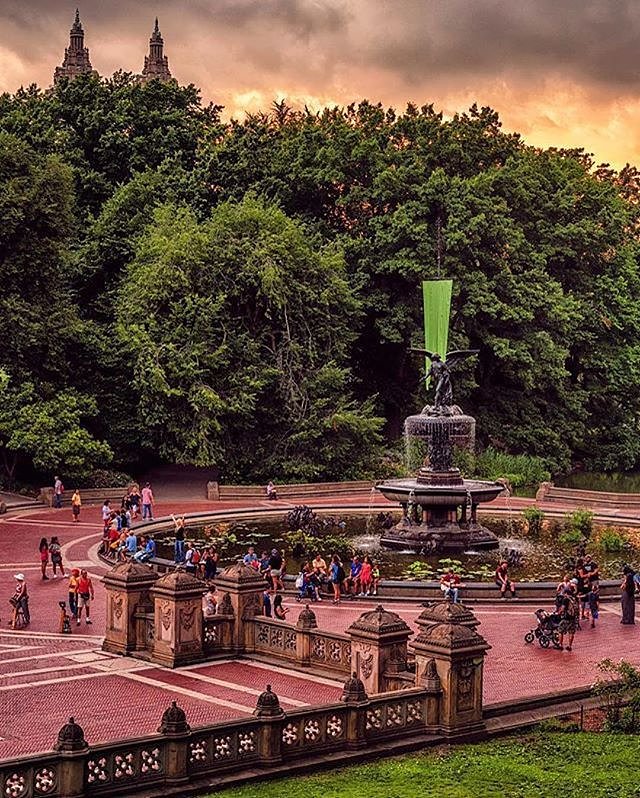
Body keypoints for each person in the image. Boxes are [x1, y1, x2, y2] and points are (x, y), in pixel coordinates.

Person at [558, 586, 578, 651]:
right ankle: (569, 646)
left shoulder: (566, 599)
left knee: (560, 630)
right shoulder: (574, 599)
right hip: (573, 618)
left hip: (566, 618)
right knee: (571, 632)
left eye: (564, 593)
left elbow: (563, 608)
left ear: (566, 593)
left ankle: (560, 645)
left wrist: (559, 612)